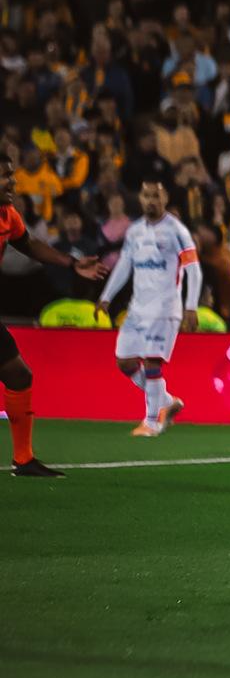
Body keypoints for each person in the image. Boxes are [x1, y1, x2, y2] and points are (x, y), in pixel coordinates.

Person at [0, 155, 109, 475]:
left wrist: (72, 264)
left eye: (12, 176)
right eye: (5, 176)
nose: (13, 183)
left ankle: (23, 458)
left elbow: (30, 244)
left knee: (19, 375)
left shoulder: (8, 216)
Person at [94, 180, 201, 437]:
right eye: (146, 196)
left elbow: (193, 268)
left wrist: (191, 306)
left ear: (164, 199)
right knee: (125, 361)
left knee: (153, 360)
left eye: (156, 196)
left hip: (165, 307)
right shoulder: (134, 231)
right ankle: (165, 401)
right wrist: (106, 296)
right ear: (140, 199)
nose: (151, 200)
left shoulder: (176, 231)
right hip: (138, 308)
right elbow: (124, 265)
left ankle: (152, 421)